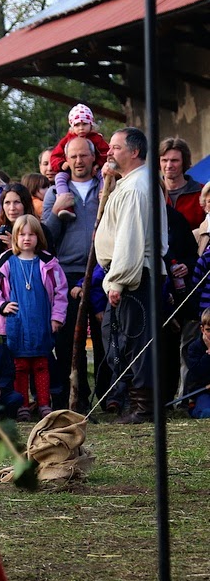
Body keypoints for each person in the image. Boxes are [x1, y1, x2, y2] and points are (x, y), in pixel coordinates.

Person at [95, 127, 166, 424]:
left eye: (116, 147)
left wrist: (119, 280)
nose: (109, 151)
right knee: (126, 340)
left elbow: (130, 239)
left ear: (134, 151)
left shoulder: (137, 188)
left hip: (135, 274)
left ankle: (145, 407)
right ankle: (136, 402)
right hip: (132, 273)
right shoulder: (131, 183)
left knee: (138, 341)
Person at [42, 138, 107, 411]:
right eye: (74, 156)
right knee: (70, 341)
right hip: (66, 274)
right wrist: (57, 211)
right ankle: (76, 396)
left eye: (84, 155)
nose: (79, 161)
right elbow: (45, 237)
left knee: (105, 337)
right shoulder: (53, 193)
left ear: (94, 159)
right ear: (66, 160)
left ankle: (108, 396)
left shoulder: (106, 189)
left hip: (102, 272)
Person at [0, 215, 68, 420]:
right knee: (19, 367)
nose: (27, 238)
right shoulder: (6, 260)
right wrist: (1, 305)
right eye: (22, 234)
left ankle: (44, 403)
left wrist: (57, 317)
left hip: (41, 322)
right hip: (15, 325)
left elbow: (61, 291)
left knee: (41, 364)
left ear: (39, 237)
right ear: (15, 237)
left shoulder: (49, 262)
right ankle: (23, 404)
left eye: (31, 234)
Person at [48, 104, 110, 212]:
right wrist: (62, 164)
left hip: (94, 168)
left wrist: (98, 164)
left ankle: (103, 197)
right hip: (69, 169)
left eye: (84, 124)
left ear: (91, 124)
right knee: (59, 178)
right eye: (77, 125)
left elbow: (107, 153)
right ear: (72, 126)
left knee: (104, 175)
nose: (81, 128)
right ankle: (66, 205)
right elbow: (54, 156)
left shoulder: (97, 138)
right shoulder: (67, 140)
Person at [160, 137, 205, 230]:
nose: (169, 166)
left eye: (174, 160)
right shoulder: (150, 193)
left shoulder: (202, 193)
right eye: (164, 160)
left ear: (184, 162)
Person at [182, 309, 210, 418]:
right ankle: (194, 408)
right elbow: (197, 372)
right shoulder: (194, 348)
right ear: (202, 329)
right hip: (202, 390)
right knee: (207, 412)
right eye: (209, 330)